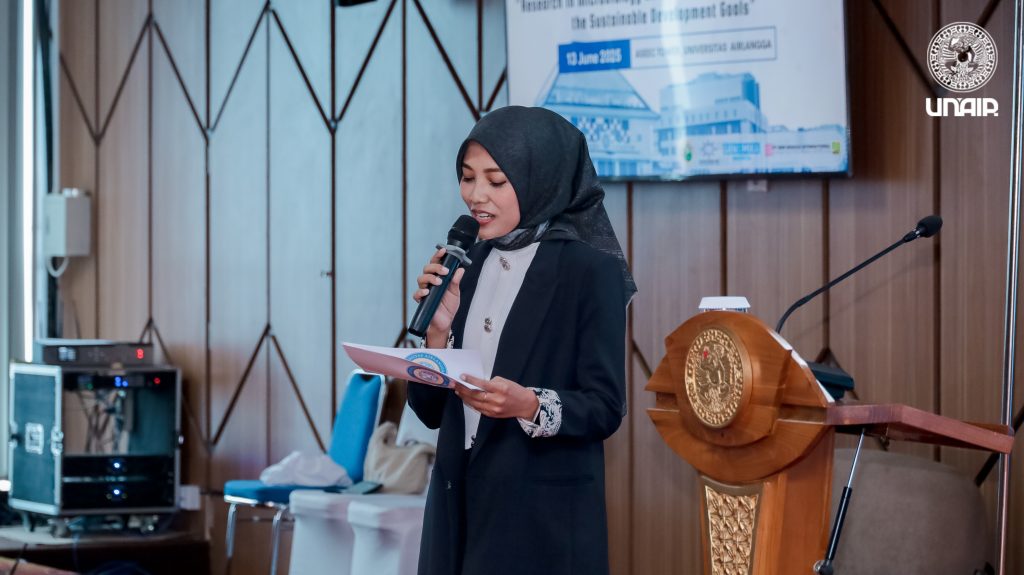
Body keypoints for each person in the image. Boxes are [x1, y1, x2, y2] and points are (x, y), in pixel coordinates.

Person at [407, 105, 636, 575]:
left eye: (496, 181)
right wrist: (436, 333)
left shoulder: (589, 271)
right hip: (455, 510)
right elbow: (428, 411)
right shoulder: (464, 262)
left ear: (540, 179)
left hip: (540, 525)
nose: (476, 195)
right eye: (467, 177)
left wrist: (529, 405)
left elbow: (605, 406)